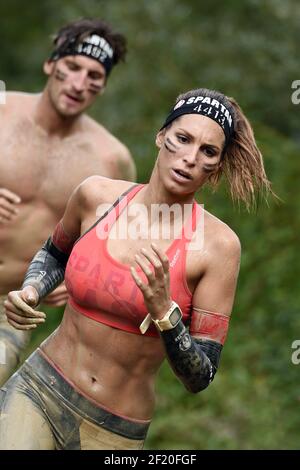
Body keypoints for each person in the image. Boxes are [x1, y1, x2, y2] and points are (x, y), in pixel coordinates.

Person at [0, 88, 272, 450]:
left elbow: (200, 375)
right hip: (39, 387)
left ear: (217, 166)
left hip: (114, 428)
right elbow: (54, 254)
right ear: (161, 136)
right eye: (183, 138)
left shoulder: (218, 247)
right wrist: (32, 289)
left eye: (207, 151)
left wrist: (165, 314)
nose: (190, 158)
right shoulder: (95, 196)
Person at [0, 18, 136, 385]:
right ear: (50, 64)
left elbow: (118, 249)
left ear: (103, 87)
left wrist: (75, 274)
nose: (80, 83)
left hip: (9, 306)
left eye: (94, 75)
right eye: (73, 67)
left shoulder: (111, 160)